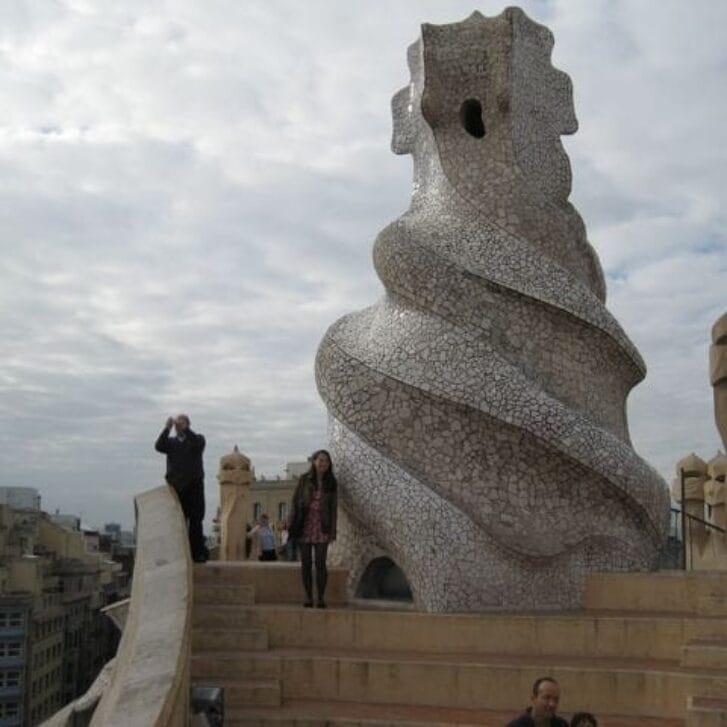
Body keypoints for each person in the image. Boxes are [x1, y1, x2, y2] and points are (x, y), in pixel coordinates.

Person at [155, 414, 208, 563]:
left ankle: (197, 553)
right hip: (177, 487)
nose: (179, 425)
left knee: (196, 520)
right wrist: (167, 428)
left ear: (188, 424)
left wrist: (186, 430)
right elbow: (159, 446)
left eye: (182, 422)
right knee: (177, 521)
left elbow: (198, 444)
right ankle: (176, 554)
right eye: (178, 423)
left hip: (194, 486)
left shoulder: (197, 439)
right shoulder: (170, 443)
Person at [288, 449, 338, 608]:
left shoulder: (332, 482)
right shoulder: (304, 479)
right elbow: (295, 502)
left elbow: (333, 509)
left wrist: (332, 532)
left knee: (321, 563)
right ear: (314, 461)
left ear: (329, 464)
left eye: (326, 461)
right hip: (305, 525)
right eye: (320, 460)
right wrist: (291, 522)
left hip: (322, 526)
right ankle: (308, 596)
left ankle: (321, 597)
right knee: (306, 563)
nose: (323, 463)